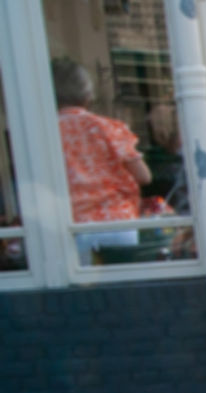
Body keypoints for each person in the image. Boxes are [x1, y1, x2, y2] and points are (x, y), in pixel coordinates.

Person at [51, 57, 150, 263]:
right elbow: (143, 176)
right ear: (87, 95)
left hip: (70, 227)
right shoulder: (109, 128)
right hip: (118, 224)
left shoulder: (44, 133)